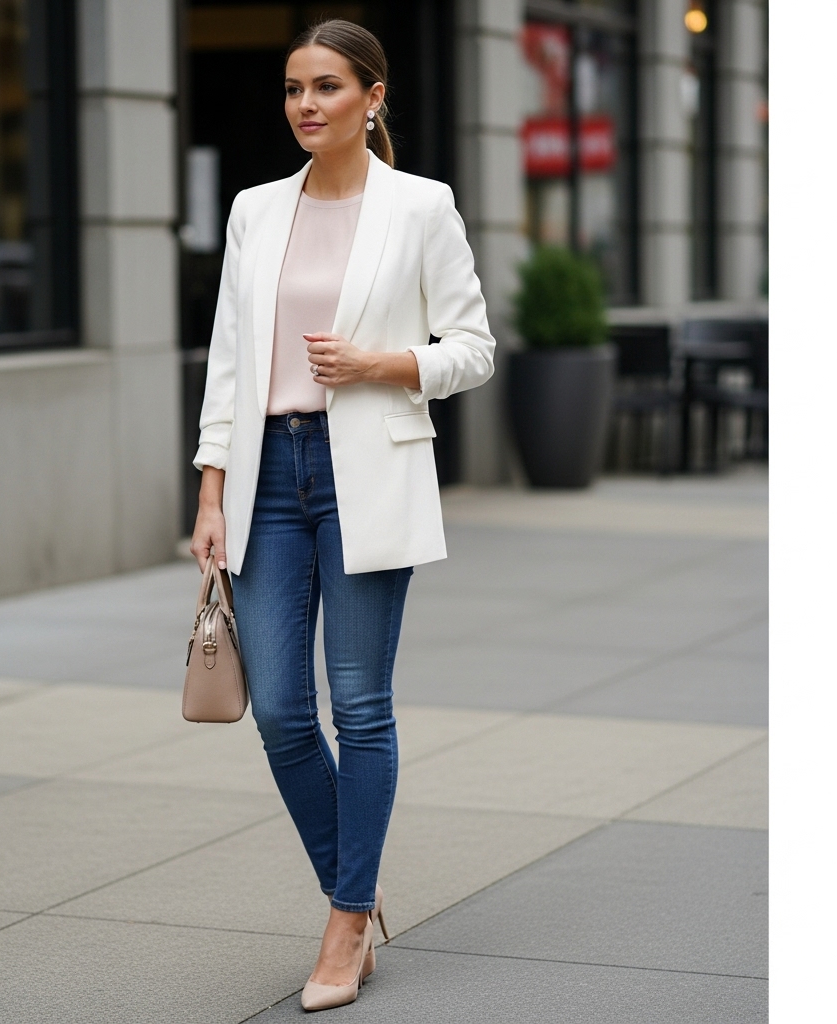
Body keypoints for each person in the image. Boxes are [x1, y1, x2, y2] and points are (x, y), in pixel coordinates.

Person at [190, 18, 495, 1012]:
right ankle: (354, 892)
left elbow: (474, 346)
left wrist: (382, 363)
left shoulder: (419, 208)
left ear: (372, 97)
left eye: (325, 86)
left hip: (365, 465)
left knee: (357, 704)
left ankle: (345, 917)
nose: (304, 105)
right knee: (279, 709)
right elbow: (231, 356)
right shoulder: (252, 210)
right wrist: (209, 487)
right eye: (291, 89)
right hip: (265, 476)